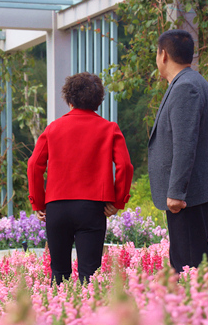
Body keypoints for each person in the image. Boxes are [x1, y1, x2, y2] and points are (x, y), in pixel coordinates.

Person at [27, 72, 134, 284]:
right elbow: (125, 166)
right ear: (99, 100)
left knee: (59, 275)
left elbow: (34, 165)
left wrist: (39, 202)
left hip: (57, 206)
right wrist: (117, 201)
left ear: (69, 99)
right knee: (90, 276)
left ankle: (59, 315)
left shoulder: (53, 128)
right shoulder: (109, 128)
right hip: (92, 208)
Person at [148, 29, 208, 273]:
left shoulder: (185, 87)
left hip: (187, 196)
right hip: (193, 193)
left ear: (163, 55)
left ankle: (194, 309)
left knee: (188, 266)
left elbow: (185, 143)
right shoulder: (191, 82)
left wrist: (176, 191)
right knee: (190, 261)